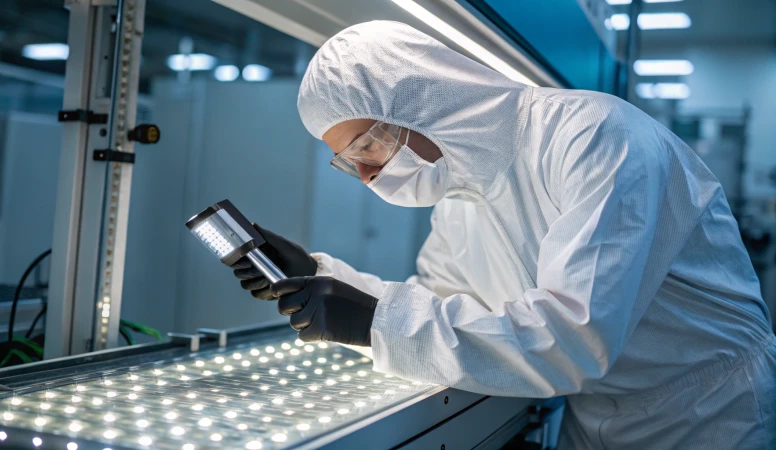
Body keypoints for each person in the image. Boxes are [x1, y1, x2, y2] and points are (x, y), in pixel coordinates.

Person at [233, 21, 775, 449]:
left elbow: (572, 339)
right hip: (595, 416)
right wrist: (323, 276)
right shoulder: (461, 193)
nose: (369, 175)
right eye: (350, 163)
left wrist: (377, 323)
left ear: (421, 99)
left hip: (709, 414)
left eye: (368, 146)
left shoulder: (595, 138)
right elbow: (450, 307)